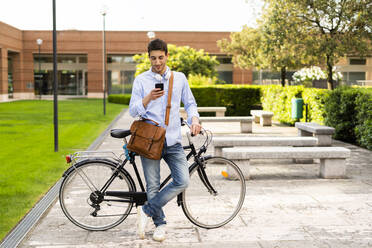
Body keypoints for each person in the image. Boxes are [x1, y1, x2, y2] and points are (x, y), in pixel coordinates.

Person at [129, 38, 201, 242]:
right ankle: (160, 225)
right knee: (152, 186)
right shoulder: (141, 80)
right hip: (149, 141)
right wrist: (148, 98)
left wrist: (194, 119)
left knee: (182, 180)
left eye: (161, 57)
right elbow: (133, 110)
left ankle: (146, 210)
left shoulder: (179, 78)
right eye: (153, 58)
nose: (157, 62)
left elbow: (190, 103)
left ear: (167, 56)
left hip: (172, 140)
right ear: (148, 58)